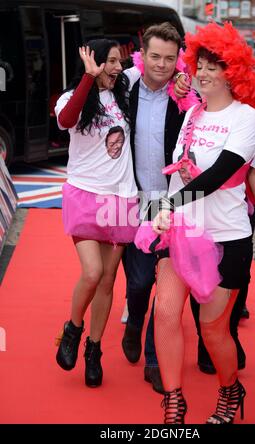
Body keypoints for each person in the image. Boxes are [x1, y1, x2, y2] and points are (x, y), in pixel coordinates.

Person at [147, 22, 255, 423]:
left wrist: (169, 204)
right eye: (198, 64)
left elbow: (220, 173)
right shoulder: (191, 116)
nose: (200, 73)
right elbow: (178, 170)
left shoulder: (246, 118)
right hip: (181, 234)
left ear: (232, 71)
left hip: (226, 238)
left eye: (212, 67)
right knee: (166, 313)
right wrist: (163, 210)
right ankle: (173, 400)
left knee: (213, 331)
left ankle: (229, 390)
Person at [54, 39, 138, 388]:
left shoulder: (123, 94)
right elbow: (65, 120)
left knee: (108, 280)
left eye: (121, 62)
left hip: (122, 199)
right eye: (112, 62)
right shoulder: (72, 96)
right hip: (86, 195)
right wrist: (89, 78)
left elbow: (155, 68)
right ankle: (73, 329)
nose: (117, 68)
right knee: (92, 272)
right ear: (95, 61)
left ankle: (94, 348)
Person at [121, 22, 198, 394]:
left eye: (170, 58)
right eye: (155, 56)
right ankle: (134, 320)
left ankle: (154, 359)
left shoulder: (185, 95)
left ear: (178, 58)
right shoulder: (126, 85)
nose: (162, 64)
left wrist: (187, 87)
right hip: (132, 202)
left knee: (165, 288)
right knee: (138, 282)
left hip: (173, 205)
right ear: (142, 52)